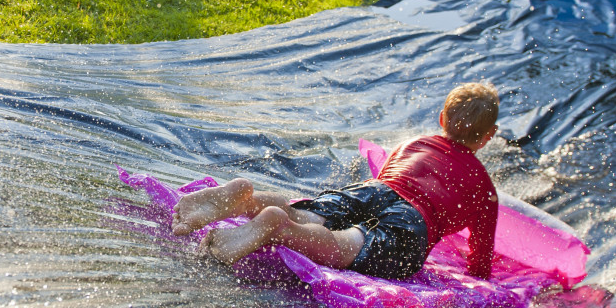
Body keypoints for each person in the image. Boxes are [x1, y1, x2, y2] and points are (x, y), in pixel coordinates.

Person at [171, 83, 500, 280]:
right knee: (348, 245)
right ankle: (283, 228)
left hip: (377, 189)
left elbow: (385, 177)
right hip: (412, 220)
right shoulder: (484, 189)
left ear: (442, 119)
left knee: (317, 215)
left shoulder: (413, 145)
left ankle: (247, 201)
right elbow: (480, 258)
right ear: (488, 136)